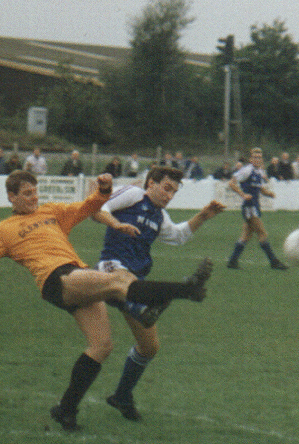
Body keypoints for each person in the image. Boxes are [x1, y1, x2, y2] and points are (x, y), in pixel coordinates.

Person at [0, 170, 214, 432]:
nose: (34, 197)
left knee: (102, 346)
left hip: (77, 273)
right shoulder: (2, 230)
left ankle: (65, 410)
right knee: (117, 282)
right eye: (27, 193)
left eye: (35, 191)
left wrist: (103, 190)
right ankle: (183, 290)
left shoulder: (51, 212)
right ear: (11, 197)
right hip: (56, 280)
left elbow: (87, 208)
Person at [90, 166, 225, 421]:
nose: (169, 195)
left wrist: (204, 216)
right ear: (150, 183)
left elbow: (177, 237)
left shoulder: (159, 215)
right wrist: (117, 225)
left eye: (173, 191)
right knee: (127, 287)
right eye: (166, 188)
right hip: (112, 266)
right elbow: (100, 209)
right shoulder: (133, 194)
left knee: (149, 347)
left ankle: (121, 396)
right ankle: (152, 302)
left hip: (136, 283)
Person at [226, 148, 287, 270]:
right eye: (255, 157)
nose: (257, 159)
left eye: (259, 157)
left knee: (246, 235)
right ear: (250, 159)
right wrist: (242, 194)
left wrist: (268, 193)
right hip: (249, 207)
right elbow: (231, 183)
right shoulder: (246, 170)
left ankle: (232, 261)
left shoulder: (259, 171)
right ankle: (274, 261)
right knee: (262, 233)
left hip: (255, 205)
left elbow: (259, 188)